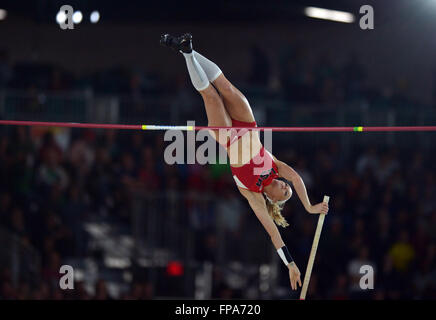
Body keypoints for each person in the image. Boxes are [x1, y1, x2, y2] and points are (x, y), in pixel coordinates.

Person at [160, 33, 329, 291]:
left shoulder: (253, 194)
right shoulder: (276, 168)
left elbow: (274, 234)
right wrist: (308, 206)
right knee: (225, 86)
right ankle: (188, 49)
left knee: (212, 97)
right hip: (247, 125)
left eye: (285, 193)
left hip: (227, 137)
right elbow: (296, 176)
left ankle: (186, 53)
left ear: (273, 199)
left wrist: (290, 264)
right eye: (287, 187)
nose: (286, 186)